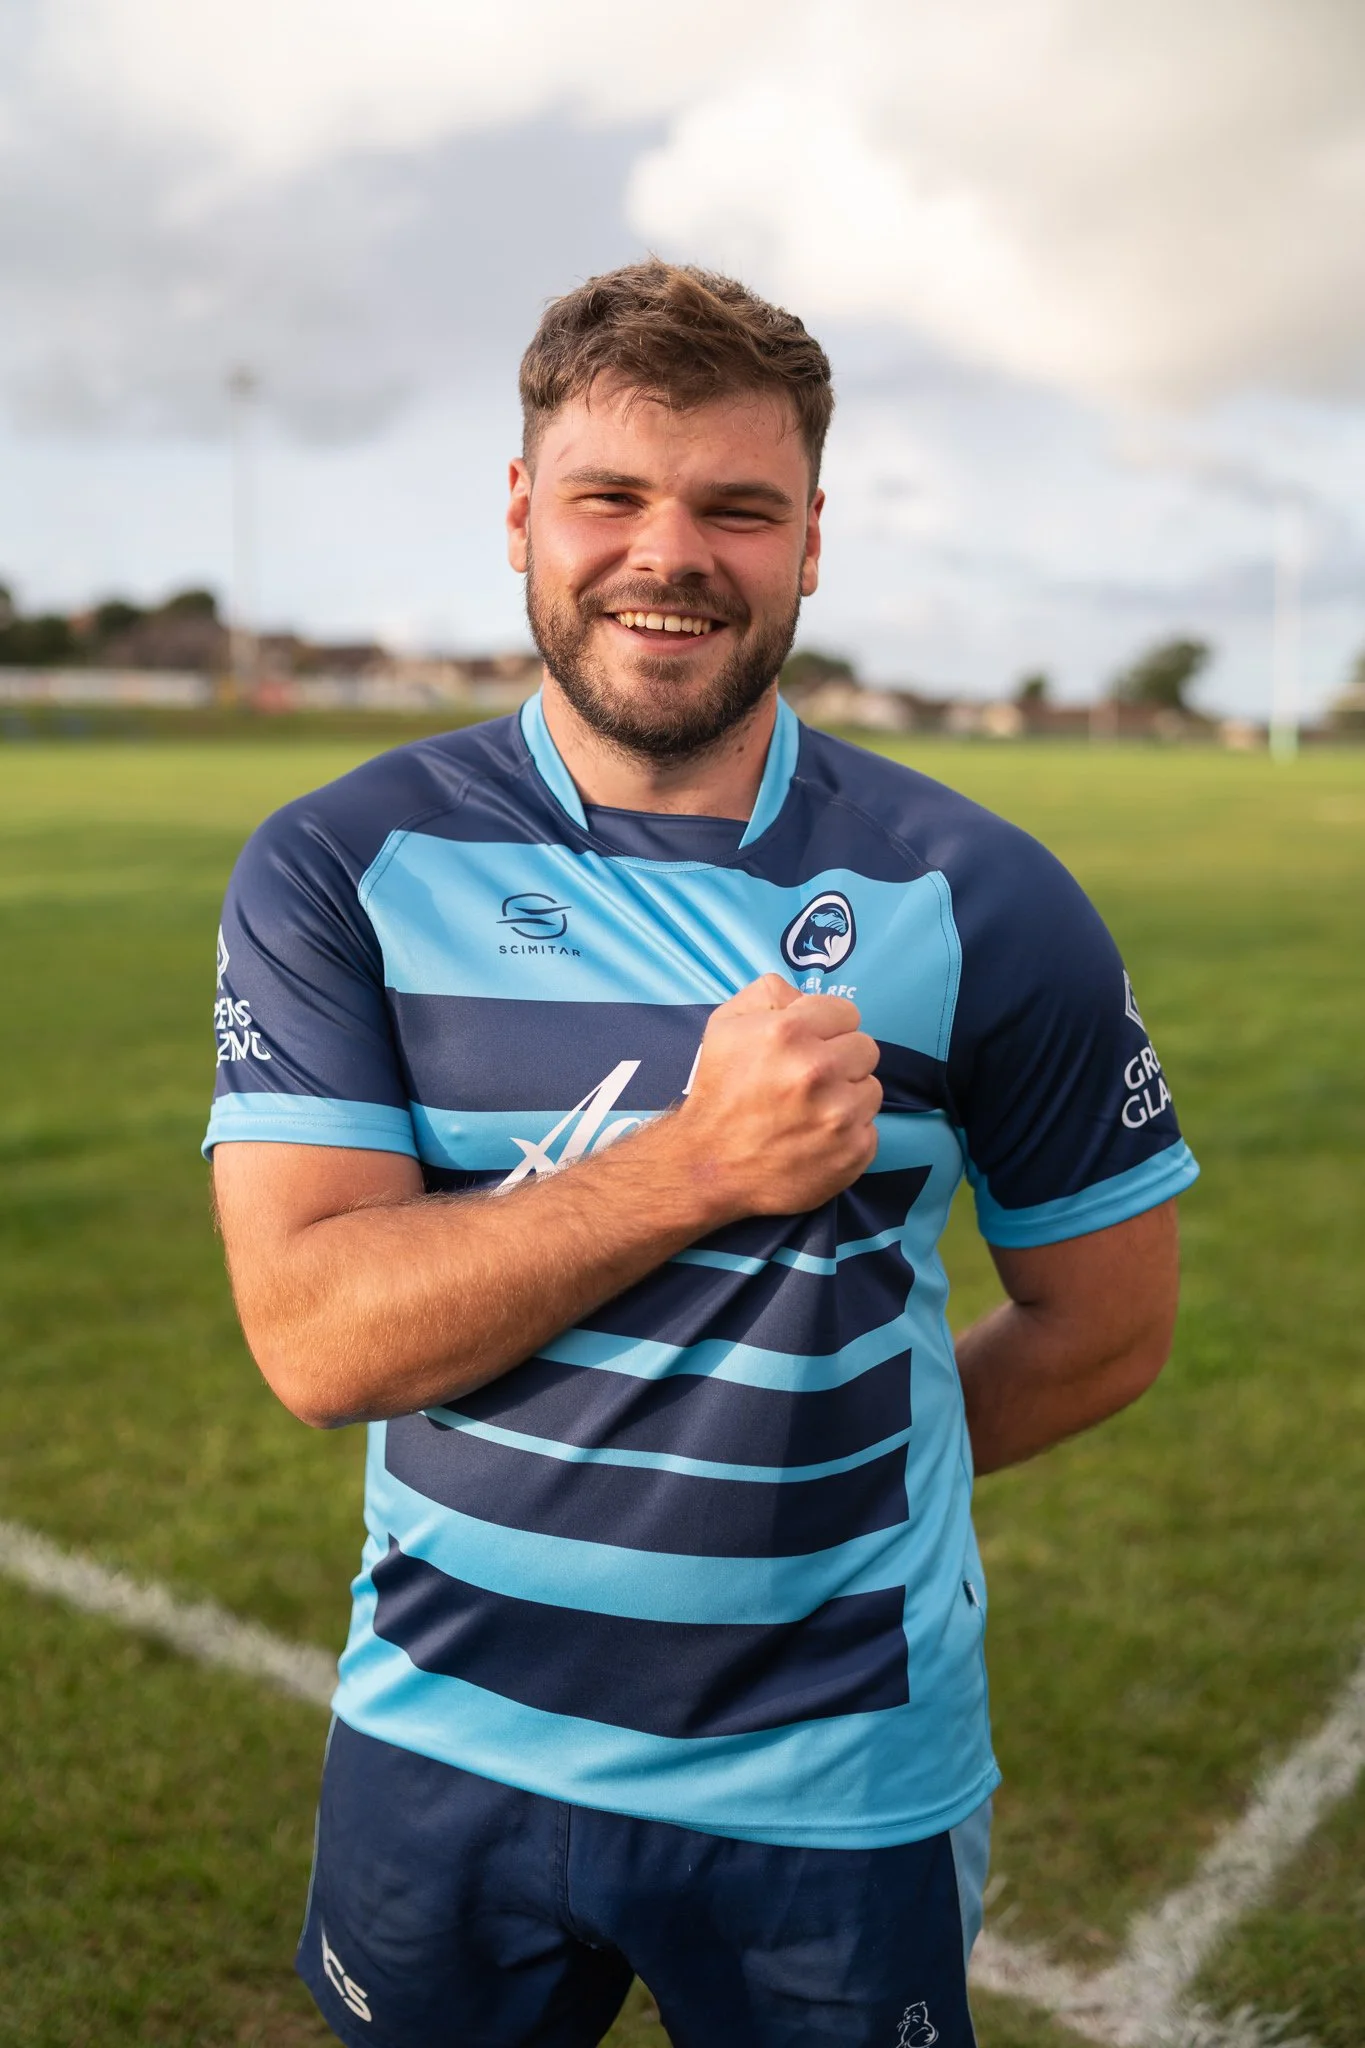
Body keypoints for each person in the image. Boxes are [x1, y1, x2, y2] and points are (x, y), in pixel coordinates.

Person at [208, 261, 1198, 2048]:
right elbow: (316, 1338)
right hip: (443, 1740)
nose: (670, 553)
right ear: (524, 513)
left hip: (836, 1780)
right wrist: (698, 1164)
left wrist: (834, 1488)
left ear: (811, 539)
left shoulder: (980, 897)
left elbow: (1105, 1325)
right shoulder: (338, 865)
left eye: (738, 508)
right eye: (610, 498)